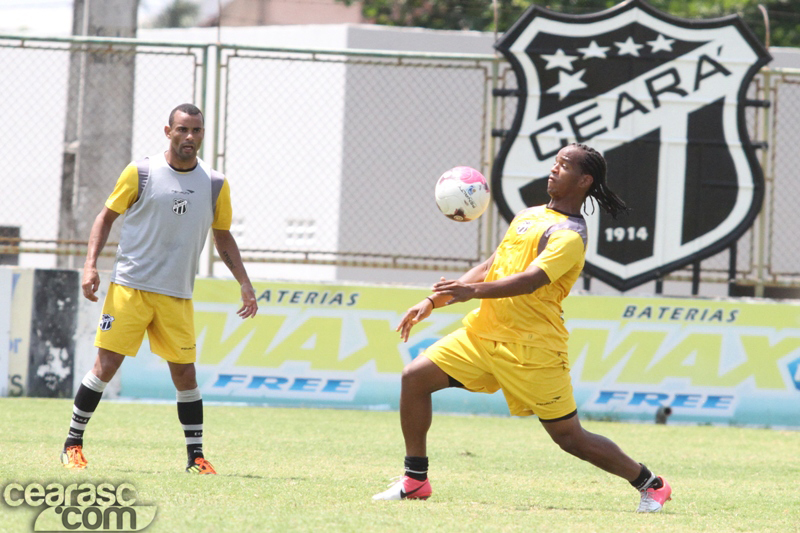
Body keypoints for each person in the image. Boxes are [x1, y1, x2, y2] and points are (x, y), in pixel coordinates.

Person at [373, 143, 672, 512]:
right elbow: (491, 265)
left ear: (584, 180)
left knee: (569, 438)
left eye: (563, 165)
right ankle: (415, 480)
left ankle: (650, 483)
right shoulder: (528, 216)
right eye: (555, 162)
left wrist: (470, 293)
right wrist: (434, 301)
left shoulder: (570, 235)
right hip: (482, 335)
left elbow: (530, 280)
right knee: (414, 377)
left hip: (533, 349)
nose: (553, 169)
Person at [60, 103, 258, 474]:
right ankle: (72, 444)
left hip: (176, 294)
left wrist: (244, 283)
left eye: (196, 130)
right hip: (130, 289)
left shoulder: (214, 183)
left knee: (185, 374)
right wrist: (90, 265)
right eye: (183, 130)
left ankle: (195, 457)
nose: (190, 137)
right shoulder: (142, 172)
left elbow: (223, 235)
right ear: (168, 132)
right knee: (106, 366)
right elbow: (106, 217)